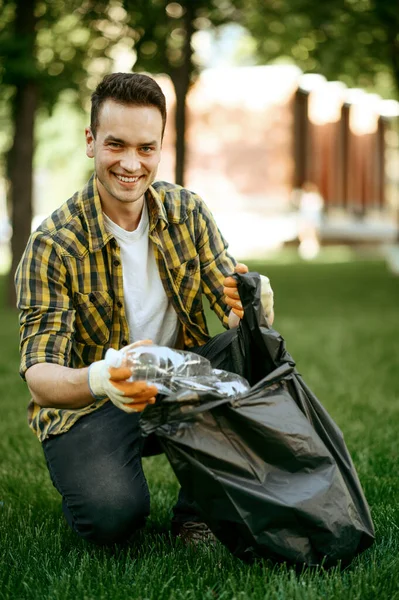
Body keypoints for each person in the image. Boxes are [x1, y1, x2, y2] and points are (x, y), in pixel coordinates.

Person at [15, 72, 274, 546]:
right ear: (91, 141)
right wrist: (103, 378)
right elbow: (40, 376)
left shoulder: (188, 212)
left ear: (159, 147)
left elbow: (235, 317)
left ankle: (195, 513)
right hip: (90, 407)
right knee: (113, 519)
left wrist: (253, 306)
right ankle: (104, 482)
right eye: (116, 145)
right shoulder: (52, 244)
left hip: (176, 388)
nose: (131, 164)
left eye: (146, 148)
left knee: (255, 351)